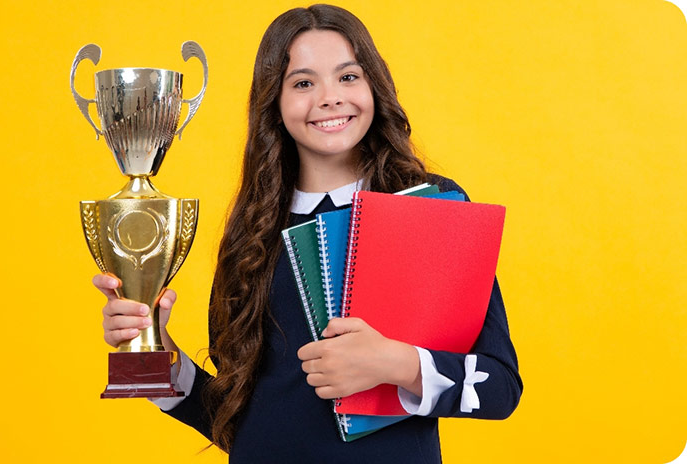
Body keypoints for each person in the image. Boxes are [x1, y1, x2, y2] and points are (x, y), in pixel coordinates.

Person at [93, 4, 522, 463]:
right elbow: (237, 421)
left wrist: (396, 363)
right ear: (273, 104)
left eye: (348, 76)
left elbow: (499, 387)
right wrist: (155, 350)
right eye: (302, 83)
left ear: (374, 85)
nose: (329, 97)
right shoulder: (252, 232)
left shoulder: (428, 206)